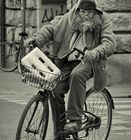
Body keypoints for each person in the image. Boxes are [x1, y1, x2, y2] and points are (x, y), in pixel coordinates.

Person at [24, 0, 116, 139]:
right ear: (78, 11)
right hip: (67, 60)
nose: (86, 15)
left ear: (95, 11)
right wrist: (37, 40)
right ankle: (60, 132)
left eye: (89, 12)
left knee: (77, 75)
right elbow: (52, 29)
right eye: (83, 12)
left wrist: (95, 52)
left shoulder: (103, 20)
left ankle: (75, 120)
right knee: (54, 88)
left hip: (91, 61)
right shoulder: (69, 17)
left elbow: (109, 43)